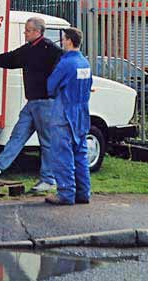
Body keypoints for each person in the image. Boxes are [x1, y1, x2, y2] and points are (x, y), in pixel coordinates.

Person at [0, 16, 63, 193]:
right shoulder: (29, 48)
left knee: (46, 142)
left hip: (46, 103)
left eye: (28, 30)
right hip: (32, 103)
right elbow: (11, 58)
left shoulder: (51, 50)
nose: (25, 33)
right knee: (17, 135)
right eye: (25, 29)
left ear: (38, 31)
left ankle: (48, 179)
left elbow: (65, 68)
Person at [44, 27, 93, 205]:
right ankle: (83, 193)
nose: (62, 42)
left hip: (64, 112)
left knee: (62, 153)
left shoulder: (65, 63)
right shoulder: (84, 63)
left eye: (63, 39)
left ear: (69, 41)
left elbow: (50, 86)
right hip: (82, 112)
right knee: (80, 153)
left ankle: (65, 193)